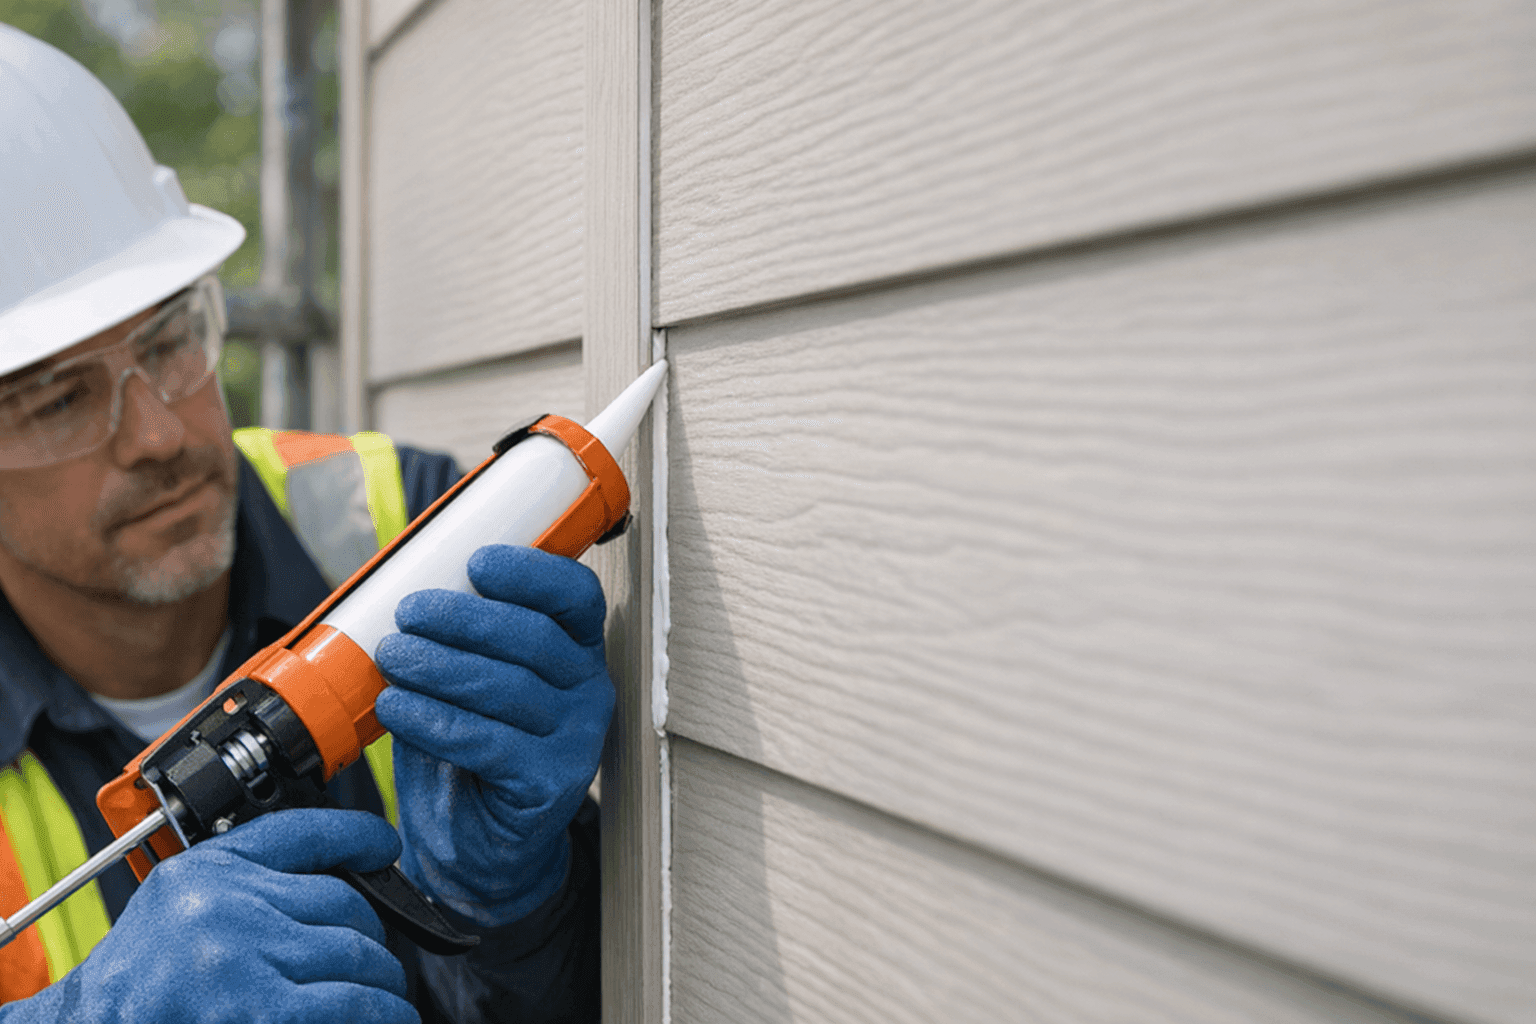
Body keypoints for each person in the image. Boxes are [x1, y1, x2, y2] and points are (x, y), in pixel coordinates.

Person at [0, 23, 605, 1023]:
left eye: (172, 339)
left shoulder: (406, 531)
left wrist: (521, 906)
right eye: (59, 399)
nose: (158, 431)